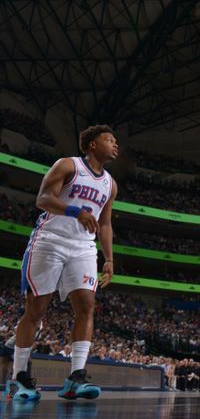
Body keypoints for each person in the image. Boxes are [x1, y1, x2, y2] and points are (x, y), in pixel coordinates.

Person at [6, 125, 117, 401]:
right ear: (92, 144)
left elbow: (105, 223)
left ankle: (75, 378)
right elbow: (42, 199)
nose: (115, 145)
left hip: (83, 248)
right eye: (109, 140)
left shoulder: (110, 184)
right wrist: (73, 210)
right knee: (36, 309)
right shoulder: (68, 165)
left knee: (86, 307)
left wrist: (110, 259)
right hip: (50, 240)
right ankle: (18, 377)